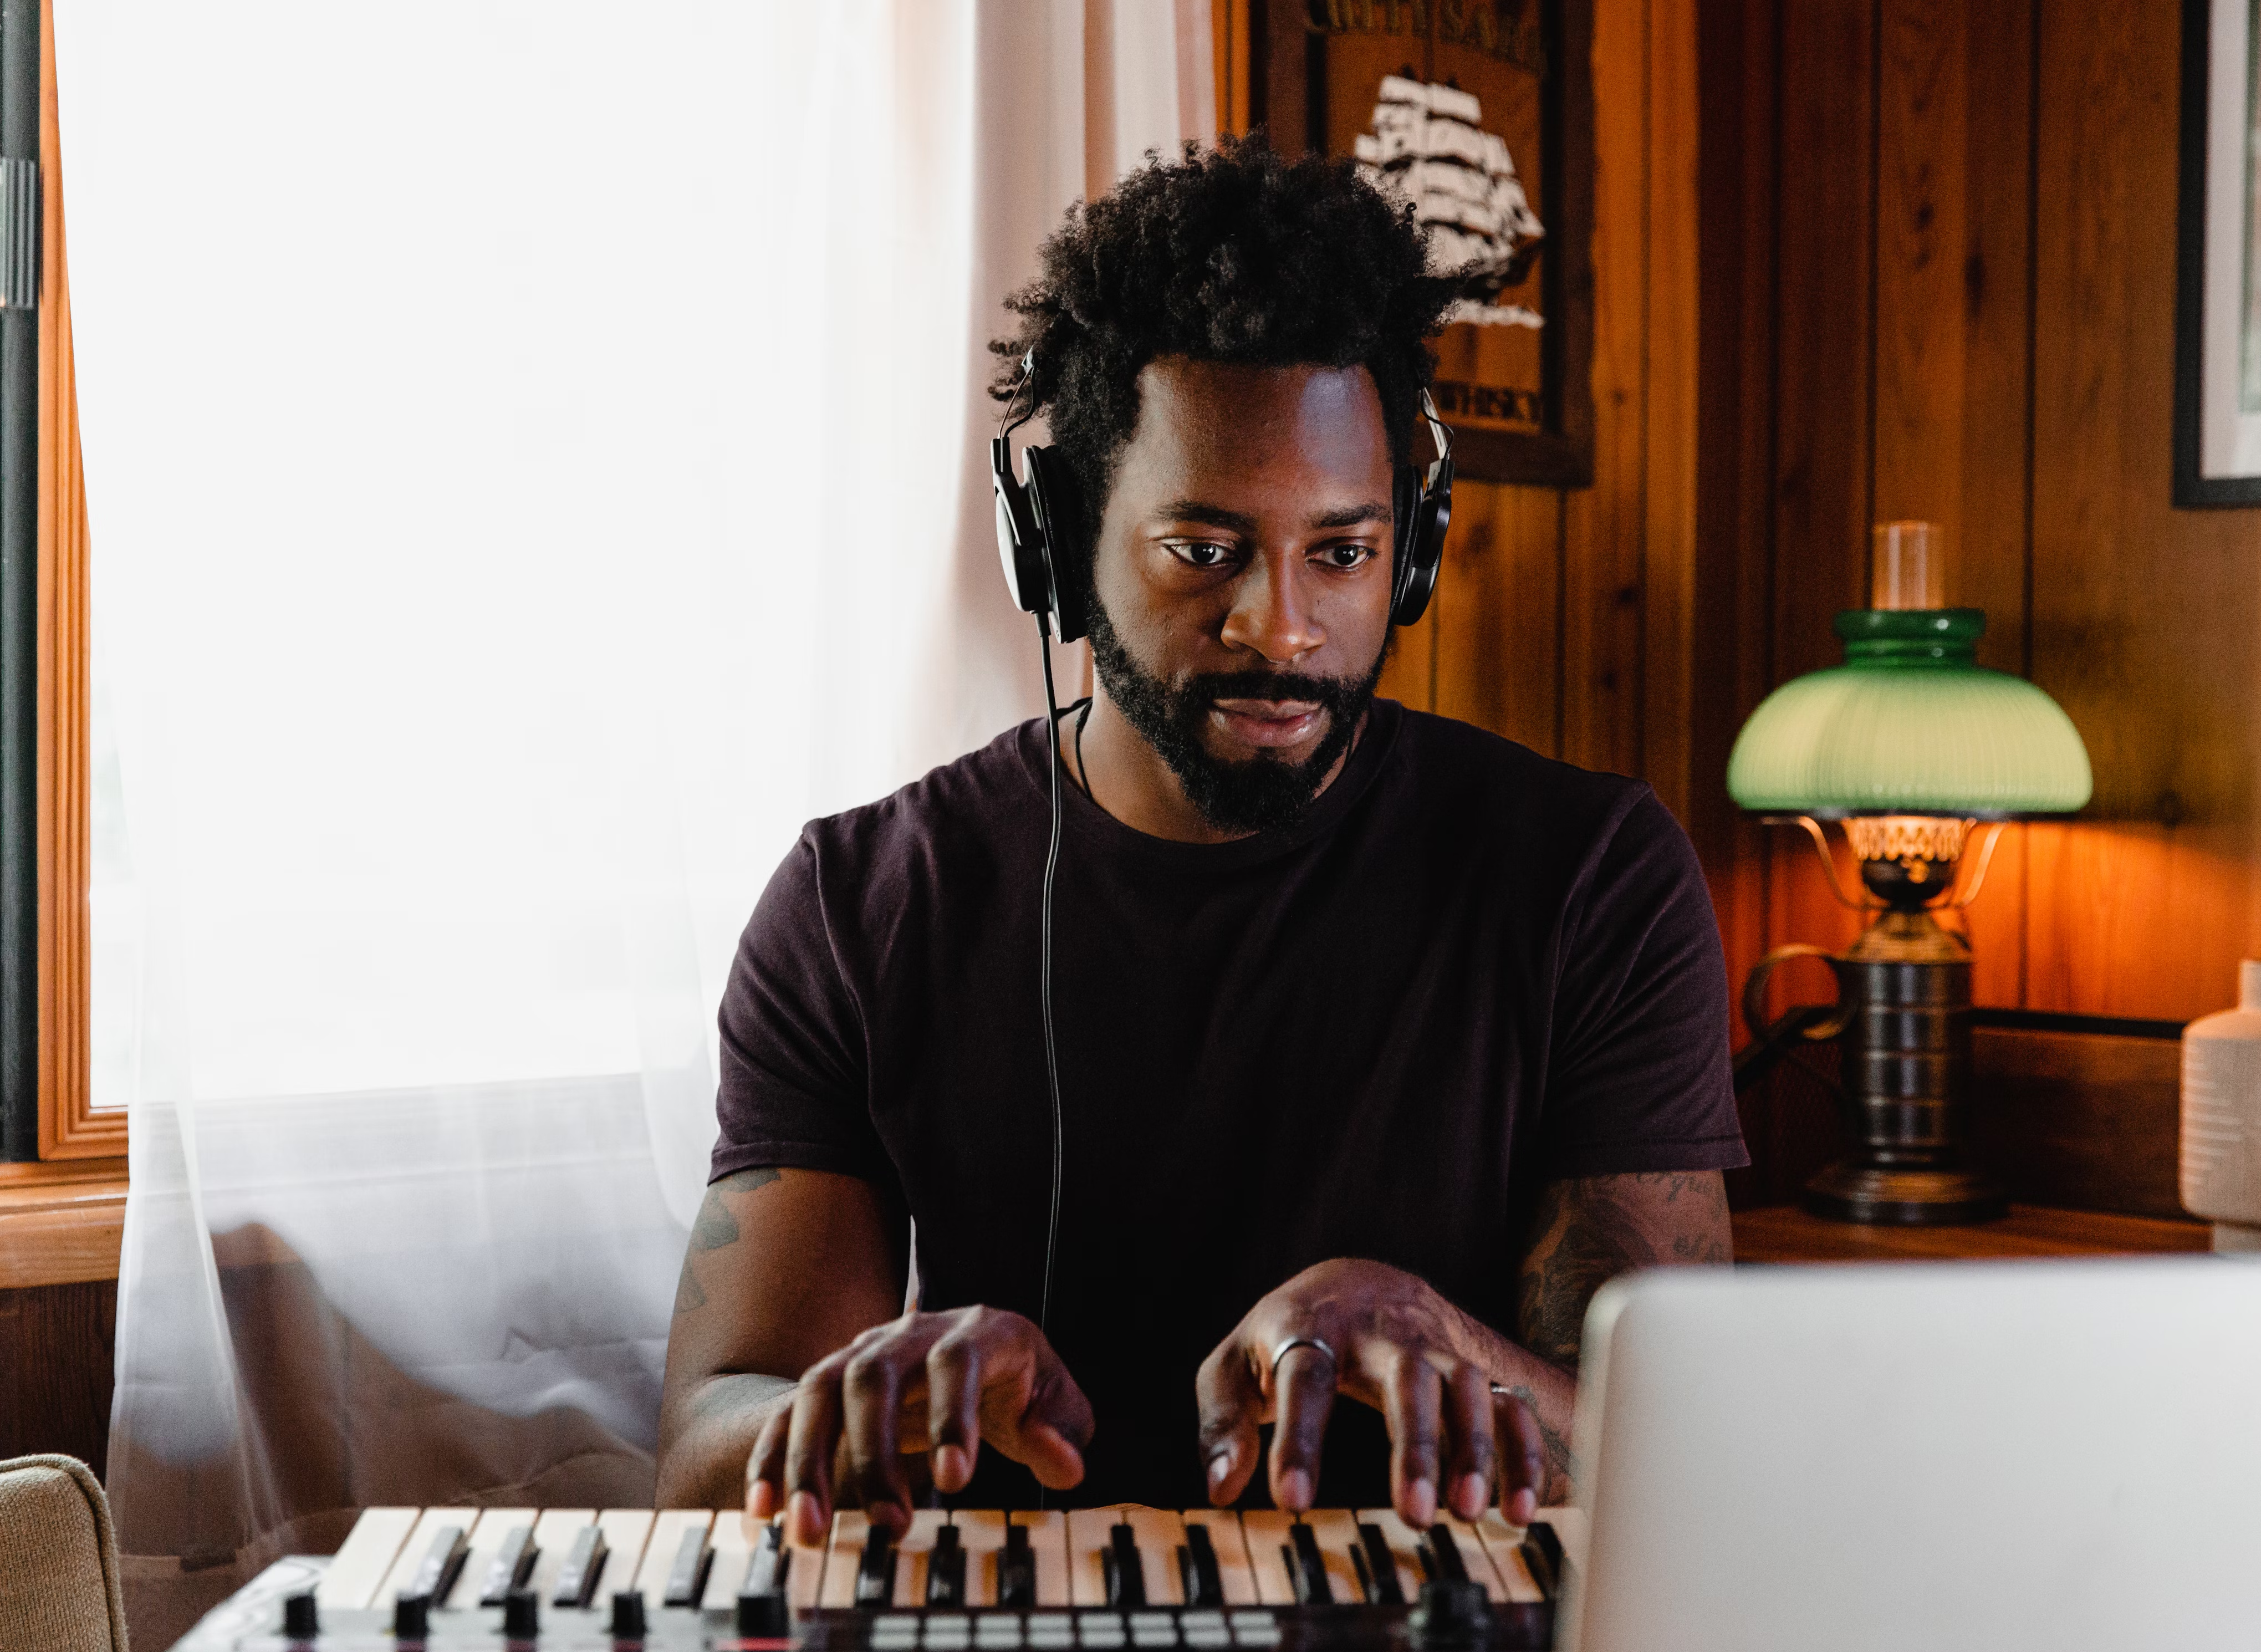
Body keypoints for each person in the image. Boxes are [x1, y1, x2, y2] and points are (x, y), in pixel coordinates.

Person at [655, 134, 1742, 1546]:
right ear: (1058, 544)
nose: (1280, 626)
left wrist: (1436, 1335)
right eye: (1204, 550)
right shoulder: (860, 902)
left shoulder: (1594, 877)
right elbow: (699, 1446)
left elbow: (1686, 1449)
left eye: (1342, 552)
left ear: (1409, 552)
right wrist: (851, 1405)